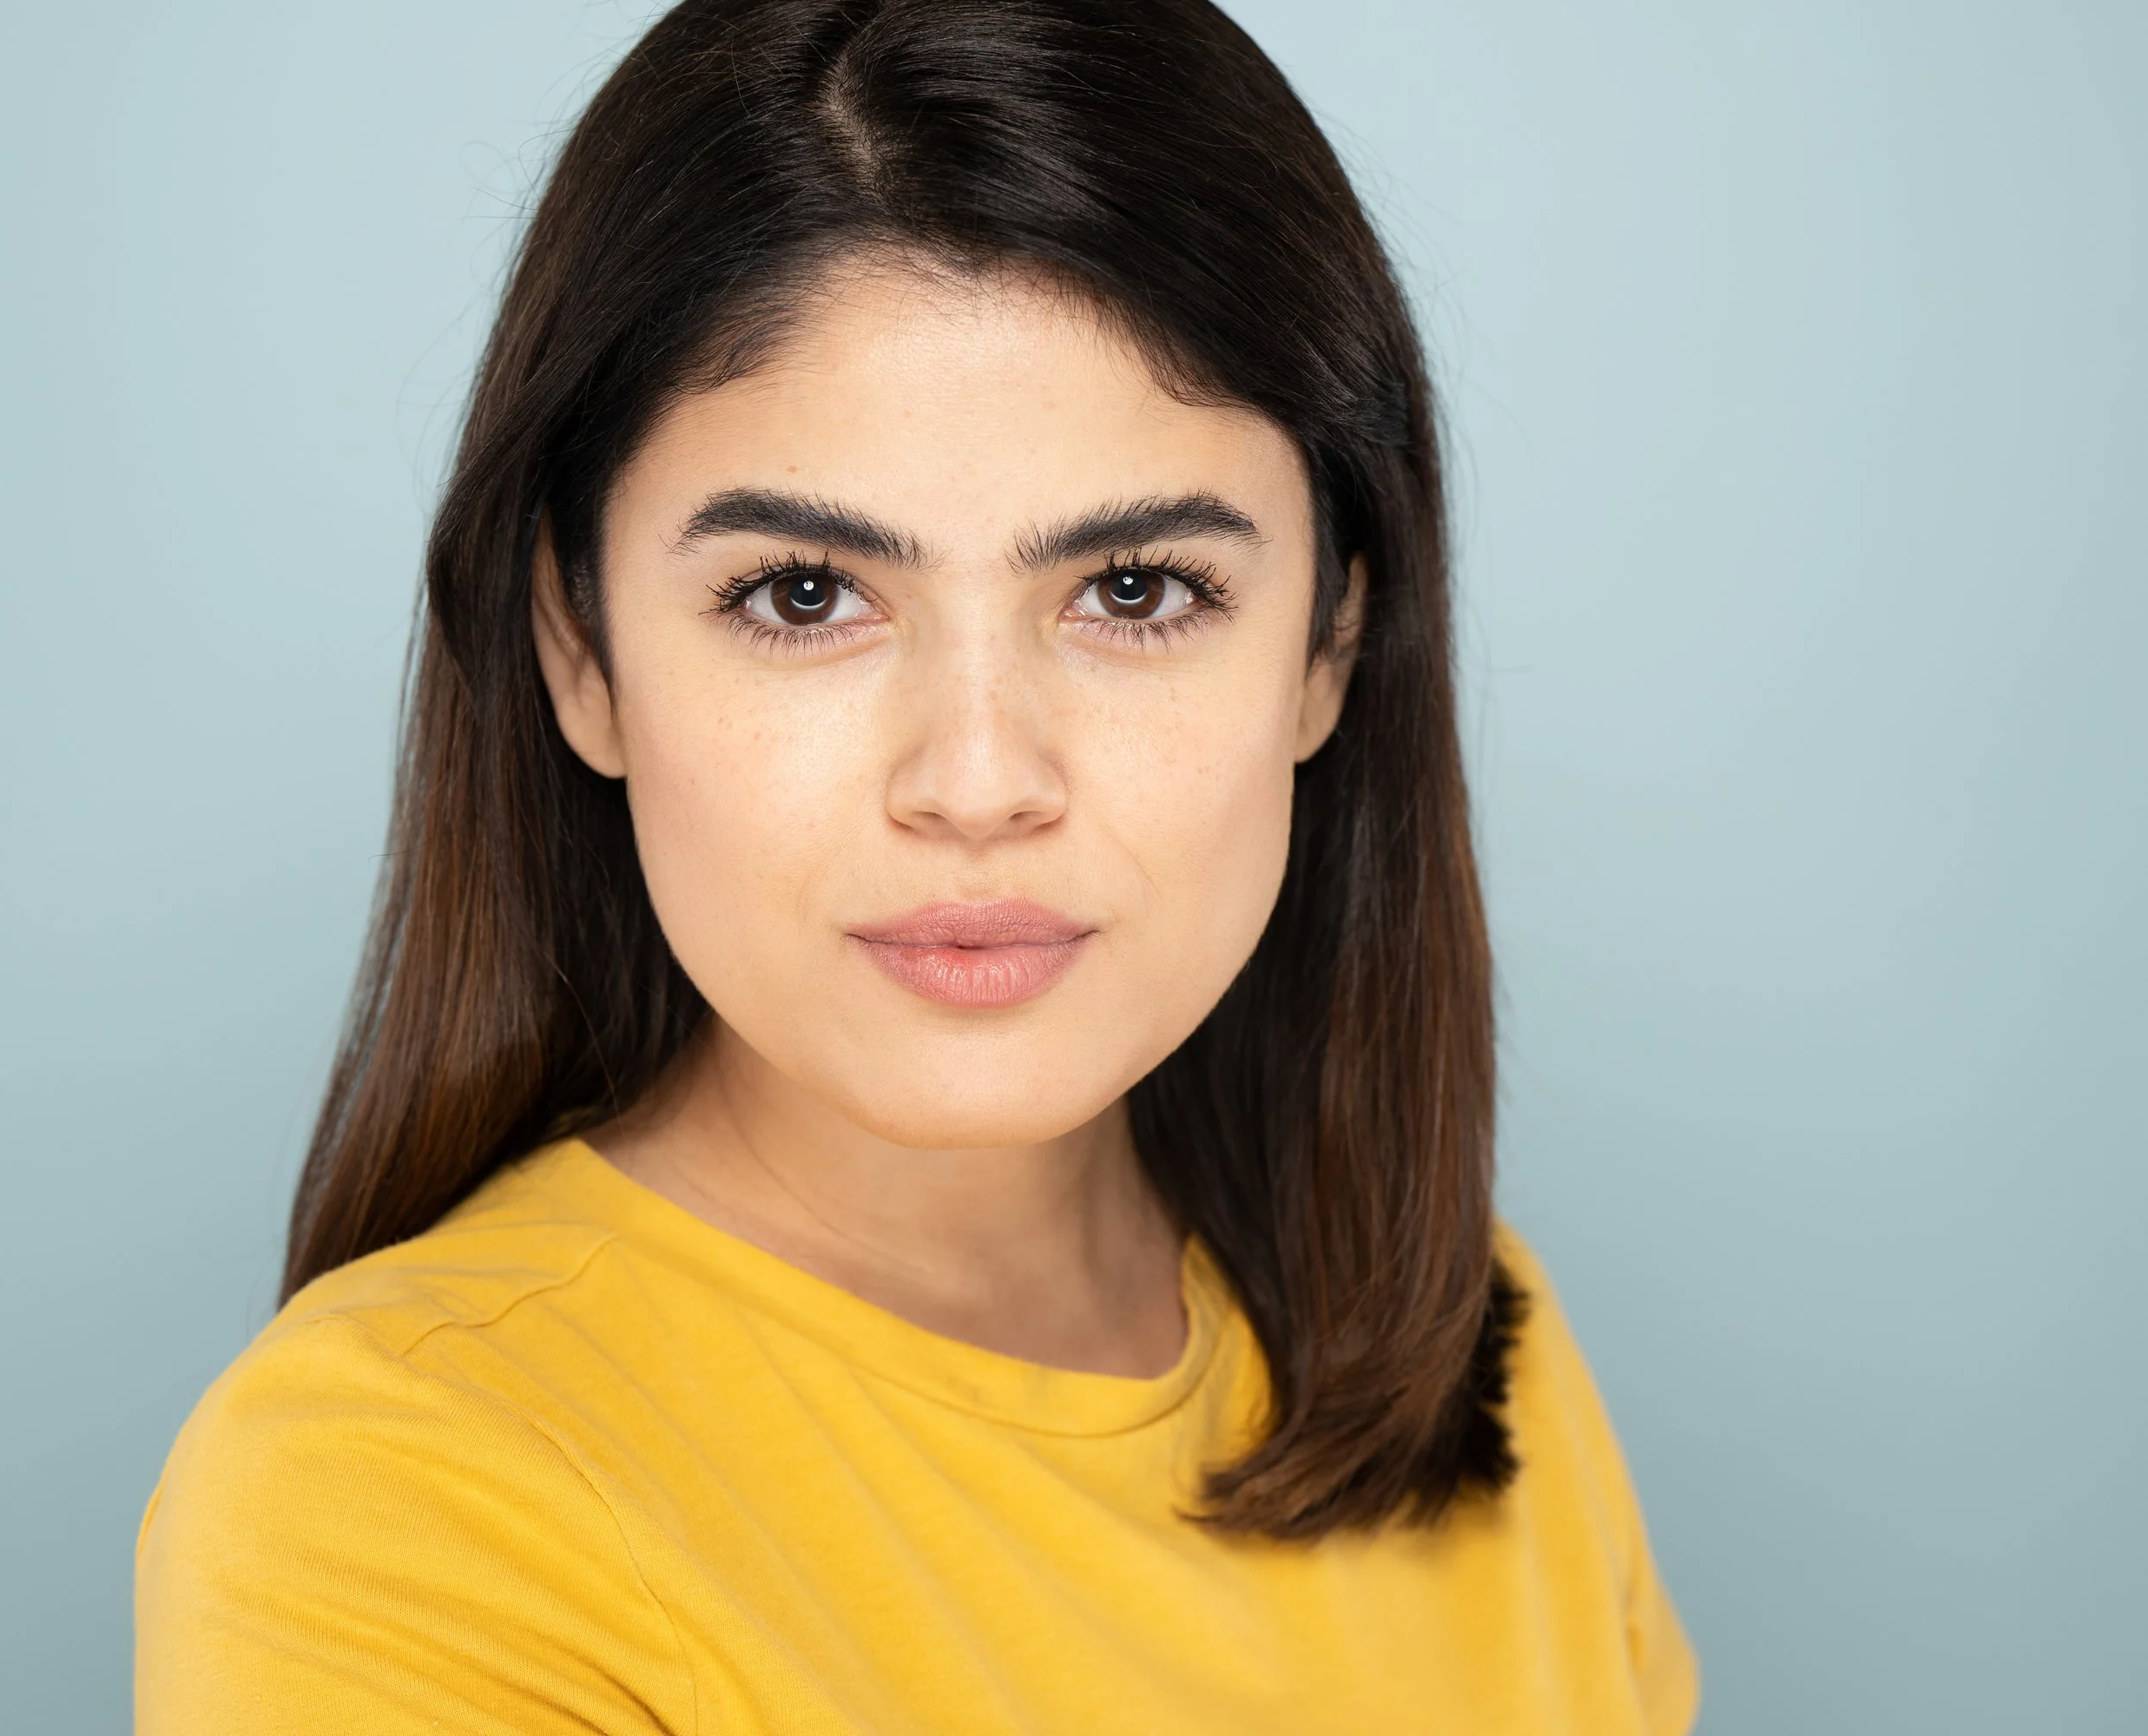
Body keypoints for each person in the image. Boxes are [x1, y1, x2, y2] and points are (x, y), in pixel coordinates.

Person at [134, 1, 1698, 1729]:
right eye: (803, 594)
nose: (976, 782)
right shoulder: (392, 1501)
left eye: (1135, 591)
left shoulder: (1484, 1356)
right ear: (582, 651)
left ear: (1329, 643)